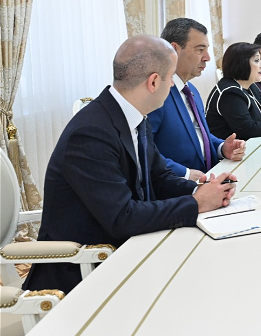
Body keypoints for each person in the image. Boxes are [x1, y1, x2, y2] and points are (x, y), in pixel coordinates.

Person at [24, 36, 236, 294]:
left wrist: (202, 191)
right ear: (153, 82)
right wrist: (197, 203)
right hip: (86, 268)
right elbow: (121, 217)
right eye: (170, 78)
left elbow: (158, 178)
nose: (172, 85)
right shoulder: (90, 132)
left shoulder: (134, 115)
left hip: (130, 246)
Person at [149, 18, 246, 179]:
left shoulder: (191, 90)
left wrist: (222, 148)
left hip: (209, 177)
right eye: (200, 50)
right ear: (174, 50)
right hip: (177, 184)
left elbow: (199, 134)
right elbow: (143, 151)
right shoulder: (156, 93)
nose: (207, 57)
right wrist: (184, 173)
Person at [205, 42, 261, 141]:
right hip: (231, 150)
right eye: (257, 60)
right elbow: (247, 129)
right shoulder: (230, 92)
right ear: (242, 64)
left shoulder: (251, 87)